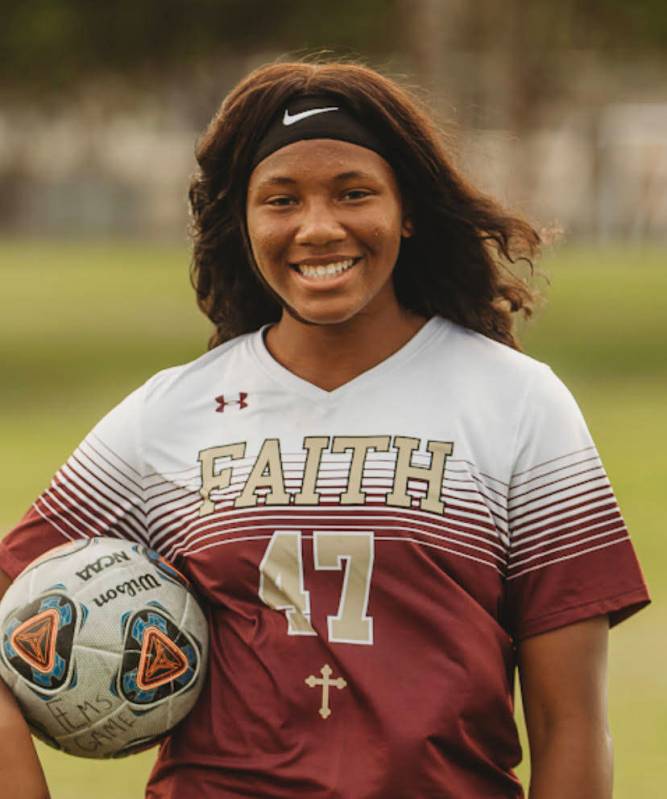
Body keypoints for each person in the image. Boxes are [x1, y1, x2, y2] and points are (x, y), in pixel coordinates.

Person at [0, 60, 650, 799]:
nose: (318, 227)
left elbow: (572, 728)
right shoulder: (170, 414)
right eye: (281, 199)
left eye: (353, 192)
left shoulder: (516, 404)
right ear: (244, 224)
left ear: (405, 210)